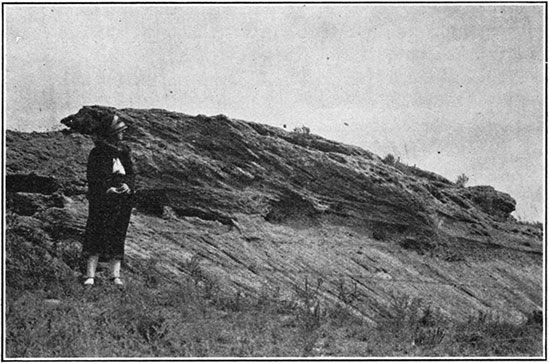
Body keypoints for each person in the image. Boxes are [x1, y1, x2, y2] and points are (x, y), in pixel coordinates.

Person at [82, 115, 135, 287]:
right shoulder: (97, 153)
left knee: (117, 234)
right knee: (95, 233)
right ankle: (90, 276)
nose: (122, 134)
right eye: (120, 131)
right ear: (111, 133)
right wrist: (107, 189)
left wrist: (127, 185)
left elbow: (131, 173)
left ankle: (115, 275)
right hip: (102, 200)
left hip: (121, 200)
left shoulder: (124, 152)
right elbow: (93, 177)